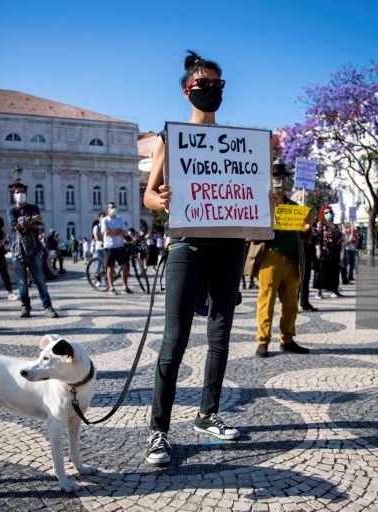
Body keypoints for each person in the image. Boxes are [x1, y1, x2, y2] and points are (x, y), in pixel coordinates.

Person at [142, 50, 244, 465]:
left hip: (231, 243)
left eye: (218, 85)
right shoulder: (171, 138)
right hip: (186, 243)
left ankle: (208, 414)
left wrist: (261, 200)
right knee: (175, 338)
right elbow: (149, 194)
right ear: (187, 90)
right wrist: (160, 199)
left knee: (219, 336)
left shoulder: (237, 143)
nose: (212, 91)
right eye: (205, 85)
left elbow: (248, 193)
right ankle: (158, 431)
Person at [247, 159, 311, 358]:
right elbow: (249, 232)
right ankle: (263, 340)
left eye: (283, 177)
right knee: (266, 300)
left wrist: (306, 228)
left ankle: (288, 338)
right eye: (276, 176)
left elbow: (301, 234)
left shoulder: (293, 206)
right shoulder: (260, 203)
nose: (280, 181)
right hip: (270, 258)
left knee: (291, 303)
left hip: (292, 260)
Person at [7, 182, 58, 318]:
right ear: (13, 195)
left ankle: (48, 306)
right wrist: (31, 220)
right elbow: (15, 226)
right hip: (17, 250)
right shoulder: (11, 210)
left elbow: (37, 226)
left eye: (22, 191)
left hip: (34, 249)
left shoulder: (33, 207)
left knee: (40, 279)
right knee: (22, 282)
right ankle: (25, 307)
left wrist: (24, 222)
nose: (20, 194)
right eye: (17, 192)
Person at [101, 201, 131, 294]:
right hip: (109, 247)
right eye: (112, 207)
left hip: (120, 246)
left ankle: (125, 286)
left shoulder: (119, 219)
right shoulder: (105, 220)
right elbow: (107, 233)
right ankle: (111, 287)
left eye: (115, 207)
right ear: (108, 209)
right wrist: (118, 231)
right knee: (111, 266)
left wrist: (115, 231)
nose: (114, 209)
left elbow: (125, 232)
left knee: (126, 265)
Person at [313, 206, 343, 299]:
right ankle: (319, 292)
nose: (328, 214)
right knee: (321, 271)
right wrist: (318, 249)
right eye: (326, 213)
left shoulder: (335, 225)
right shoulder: (321, 224)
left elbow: (339, 239)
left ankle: (334, 290)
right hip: (324, 249)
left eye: (329, 212)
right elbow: (317, 238)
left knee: (335, 271)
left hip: (335, 250)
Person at [299, 210, 319, 312]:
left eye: (311, 218)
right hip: (299, 257)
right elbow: (300, 239)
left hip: (308, 257)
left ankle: (305, 303)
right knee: (297, 282)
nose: (311, 219)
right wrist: (305, 229)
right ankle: (292, 304)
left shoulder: (313, 230)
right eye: (309, 218)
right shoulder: (299, 228)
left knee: (305, 282)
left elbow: (315, 242)